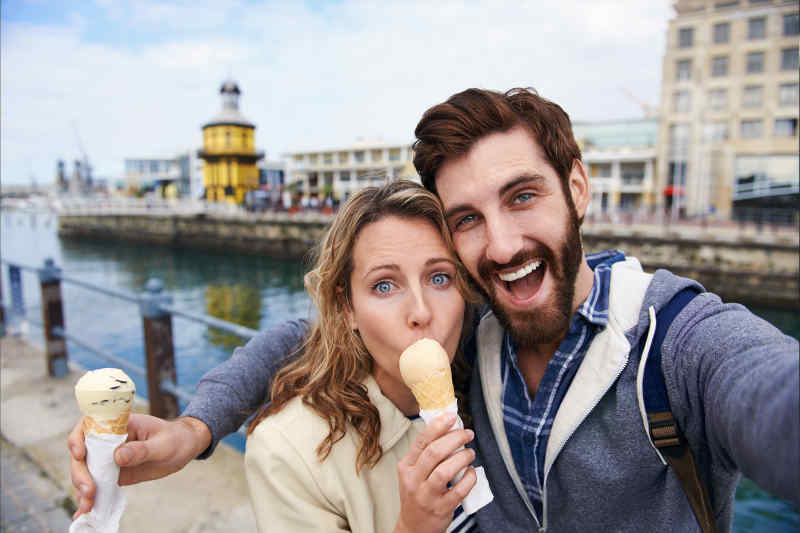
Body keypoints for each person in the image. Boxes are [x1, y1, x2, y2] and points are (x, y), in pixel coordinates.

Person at [69, 88, 800, 532]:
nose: (505, 243)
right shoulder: (478, 328)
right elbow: (305, 335)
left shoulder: (678, 341)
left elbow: (766, 387)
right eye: (469, 218)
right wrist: (196, 428)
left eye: (523, 196)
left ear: (577, 188)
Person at [245, 180, 481, 532]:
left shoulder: (492, 383)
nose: (421, 311)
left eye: (440, 278)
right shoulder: (286, 452)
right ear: (347, 308)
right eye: (384, 285)